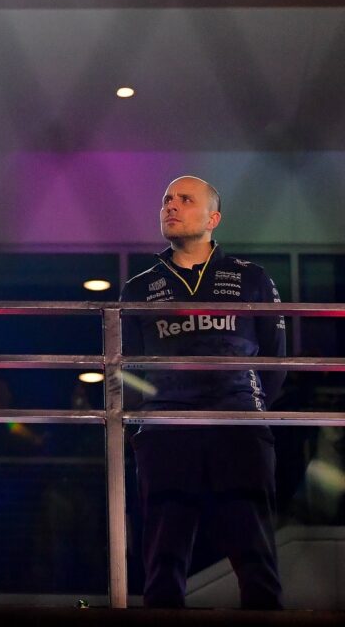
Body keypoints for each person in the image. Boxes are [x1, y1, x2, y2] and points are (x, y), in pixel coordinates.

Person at [121, 175, 286, 609]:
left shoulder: (251, 278)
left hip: (238, 423)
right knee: (163, 559)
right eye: (166, 200)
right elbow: (127, 370)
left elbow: (276, 361)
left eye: (185, 199)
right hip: (166, 428)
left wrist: (245, 404)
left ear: (213, 218)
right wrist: (144, 421)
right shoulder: (139, 286)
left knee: (255, 555)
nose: (171, 205)